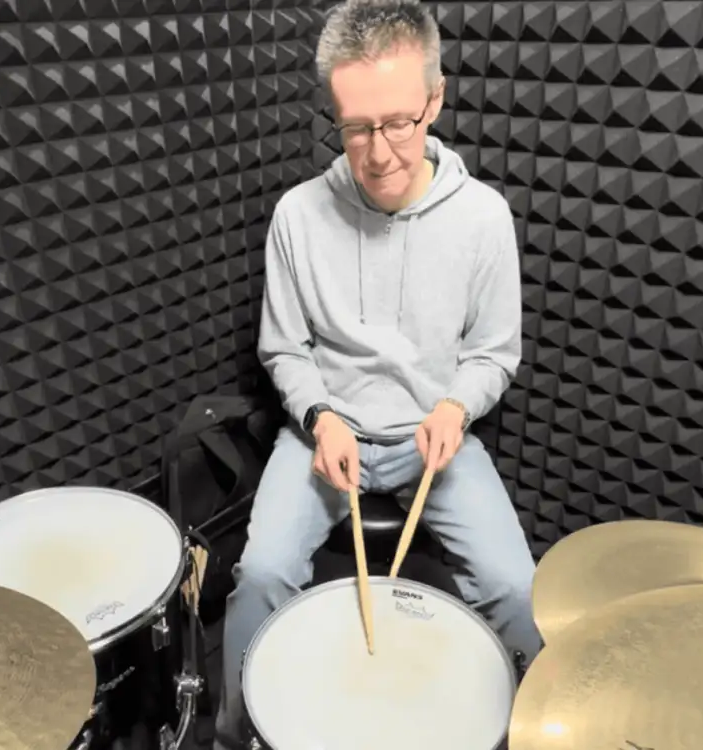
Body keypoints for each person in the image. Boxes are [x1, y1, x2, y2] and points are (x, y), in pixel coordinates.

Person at [214, 0, 541, 746]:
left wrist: (457, 407)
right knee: (259, 576)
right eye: (357, 127)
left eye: (398, 122)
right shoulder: (298, 215)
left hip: (435, 437)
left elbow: (494, 352)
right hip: (326, 436)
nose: (380, 151)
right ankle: (234, 736)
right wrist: (319, 416)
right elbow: (284, 349)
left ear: (436, 99)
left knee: (517, 589)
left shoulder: (484, 218)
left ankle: (530, 730)